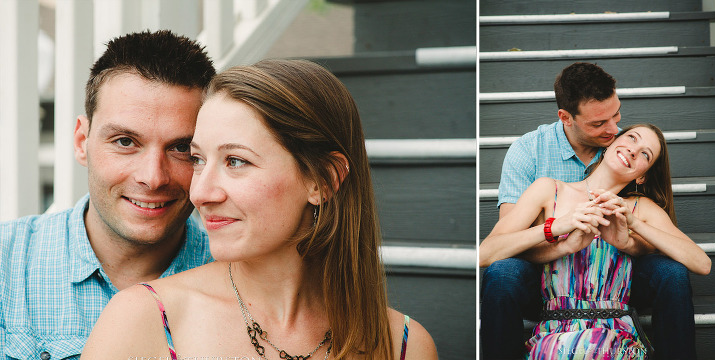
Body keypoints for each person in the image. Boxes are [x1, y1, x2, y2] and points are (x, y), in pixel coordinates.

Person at [80, 59, 438, 359]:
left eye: (235, 161)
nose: (200, 192)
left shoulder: (405, 344)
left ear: (323, 180)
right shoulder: (146, 319)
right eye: (198, 159)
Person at [0, 30, 216, 359]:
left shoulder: (239, 281)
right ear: (81, 142)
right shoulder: (6, 264)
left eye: (182, 148)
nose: (153, 177)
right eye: (125, 142)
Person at [480, 62, 698, 360]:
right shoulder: (531, 155)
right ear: (566, 118)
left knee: (671, 271)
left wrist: (629, 239)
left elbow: (693, 258)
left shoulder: (623, 150)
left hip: (616, 285)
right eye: (599, 124)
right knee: (503, 273)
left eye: (617, 116)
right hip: (549, 282)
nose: (614, 130)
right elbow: (505, 248)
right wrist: (561, 234)